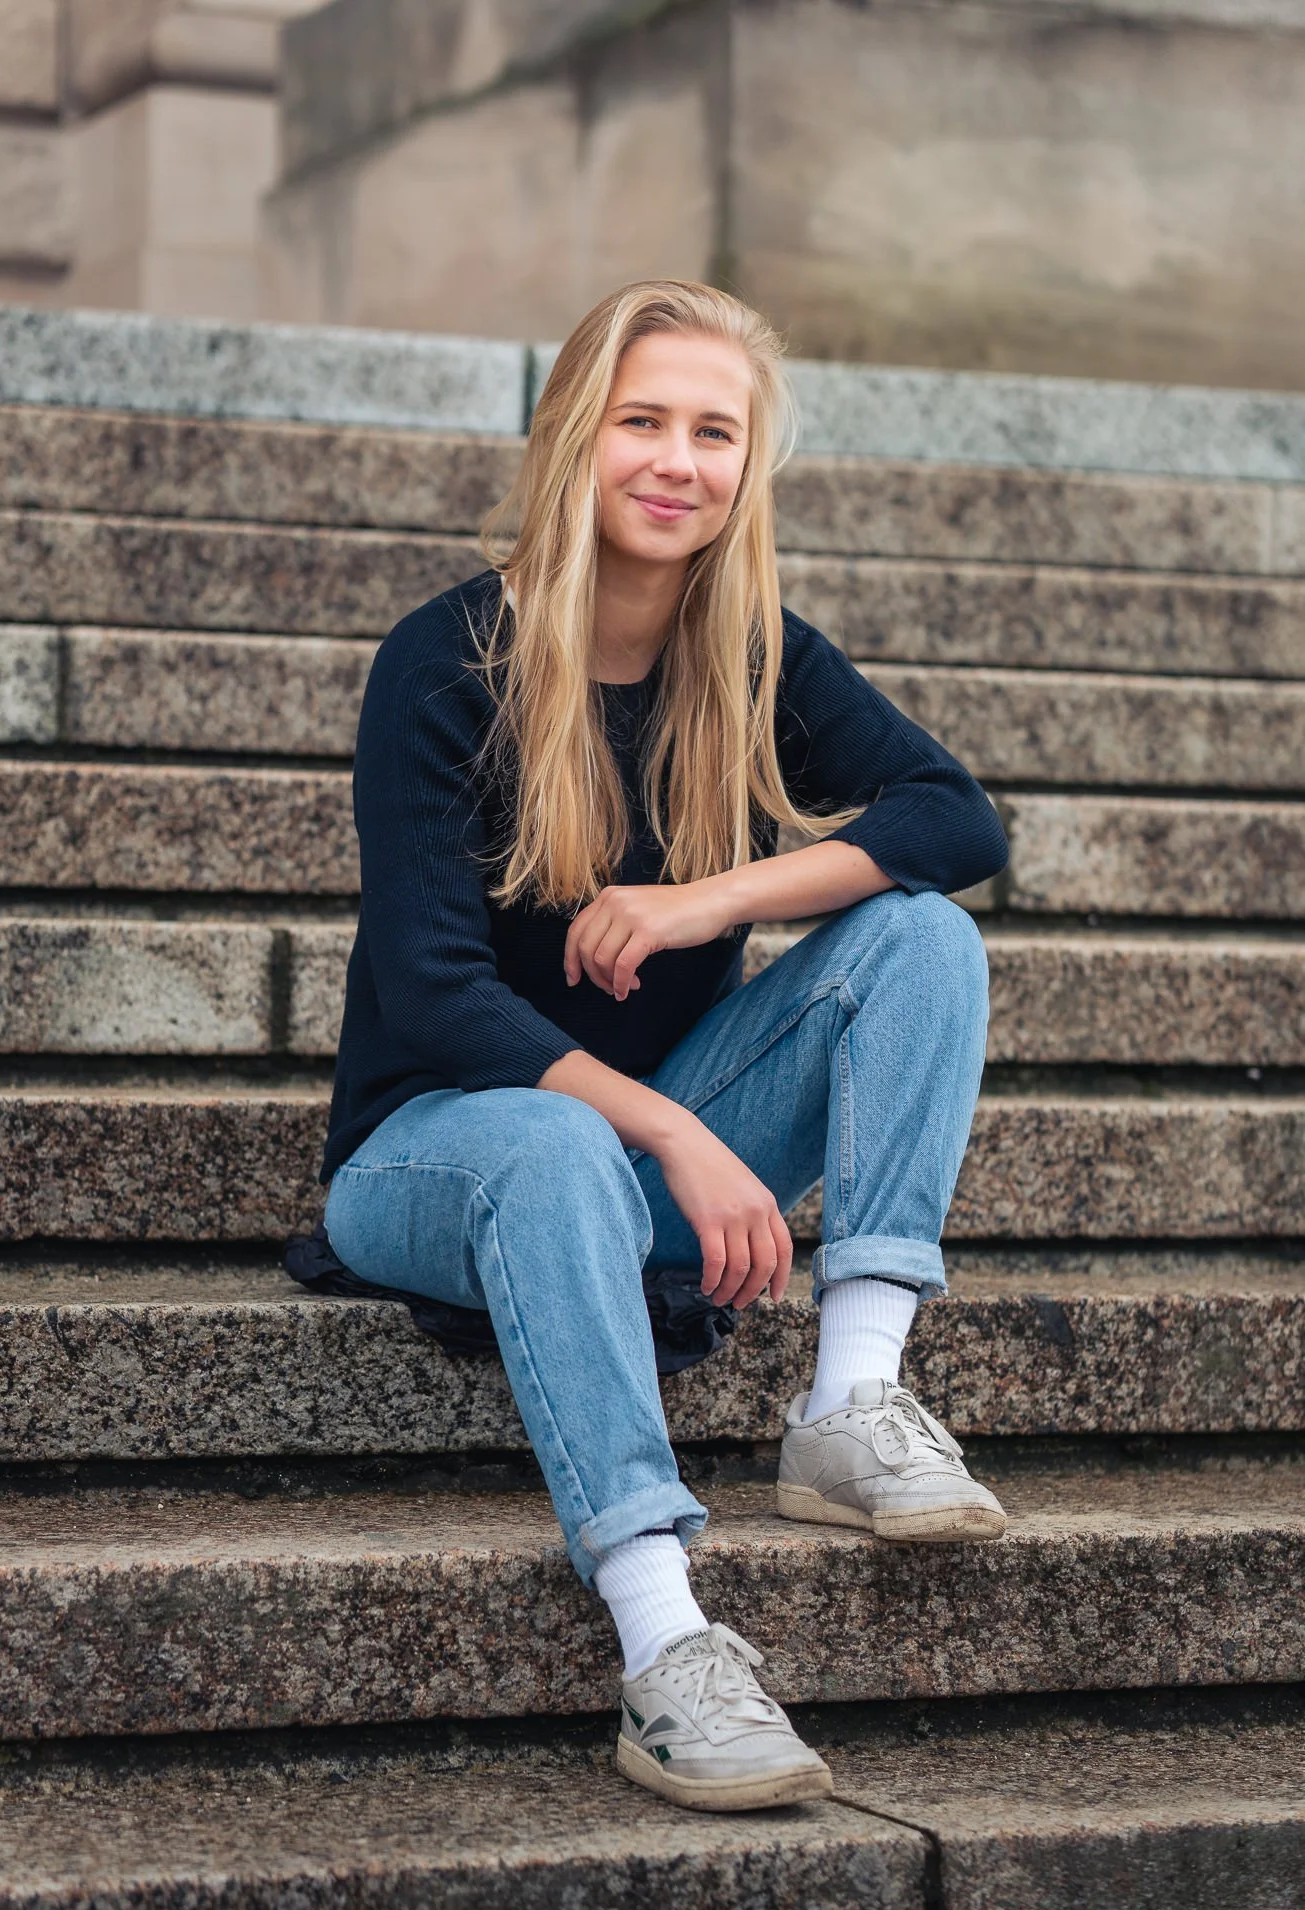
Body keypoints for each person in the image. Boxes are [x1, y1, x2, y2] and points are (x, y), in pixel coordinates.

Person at [322, 279, 1010, 1813]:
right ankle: (665, 1639)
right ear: (575, 434)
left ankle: (850, 1398)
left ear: (746, 467)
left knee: (918, 937)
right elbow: (435, 995)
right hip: (432, 1154)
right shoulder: (448, 663)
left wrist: (708, 897)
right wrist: (675, 1134)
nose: (677, 461)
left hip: (623, 1157)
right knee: (563, 1138)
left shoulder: (750, 654)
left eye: (715, 431)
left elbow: (952, 820)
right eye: (644, 420)